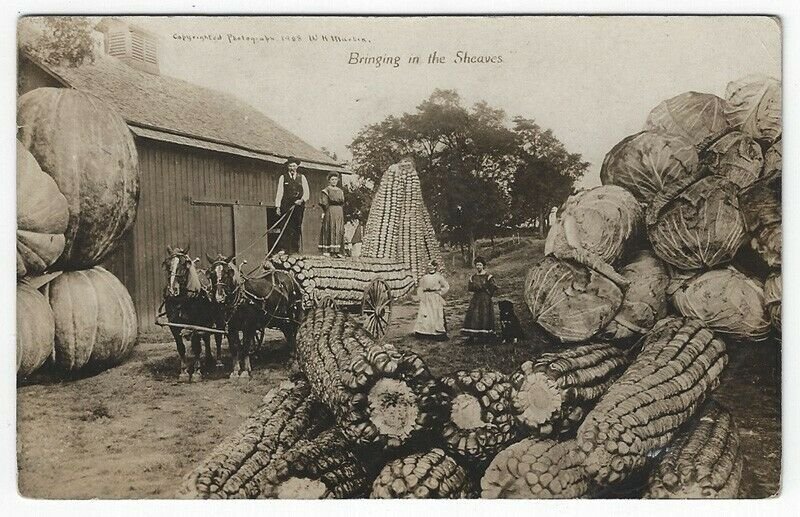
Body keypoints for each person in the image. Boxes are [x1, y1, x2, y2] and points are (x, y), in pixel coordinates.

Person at [274, 157, 309, 254]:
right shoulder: (283, 177)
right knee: (285, 225)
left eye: (294, 166)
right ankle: (284, 248)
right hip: (286, 205)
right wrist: (278, 206)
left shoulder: (302, 177)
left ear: (297, 166)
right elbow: (279, 192)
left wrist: (301, 200)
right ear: (287, 167)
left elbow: (307, 192)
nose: (292, 168)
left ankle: (295, 249)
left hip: (298, 206)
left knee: (296, 226)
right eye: (290, 166)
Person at [461, 256, 498, 341]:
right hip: (476, 298)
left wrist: (488, 295)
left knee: (484, 314)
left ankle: (485, 334)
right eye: (477, 265)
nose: (478, 267)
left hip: (485, 298)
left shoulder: (488, 276)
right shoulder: (473, 277)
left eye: (480, 265)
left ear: (483, 266)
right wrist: (475, 287)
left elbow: (492, 287)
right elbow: (470, 287)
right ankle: (473, 334)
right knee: (474, 315)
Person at [413, 260, 450, 341]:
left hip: (435, 297)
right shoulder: (424, 277)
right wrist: (421, 296)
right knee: (425, 314)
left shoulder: (439, 277)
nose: (429, 267)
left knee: (435, 313)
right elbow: (420, 288)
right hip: (426, 297)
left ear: (435, 267)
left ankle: (437, 332)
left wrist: (439, 292)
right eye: (428, 266)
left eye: (431, 266)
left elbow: (446, 286)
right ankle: (425, 332)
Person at [319, 172, 345, 256]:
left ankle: (337, 251)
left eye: (335, 179)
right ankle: (329, 250)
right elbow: (324, 202)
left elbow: (342, 202)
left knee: (338, 229)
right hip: (330, 210)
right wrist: (327, 211)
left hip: (339, 212)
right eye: (332, 179)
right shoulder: (326, 190)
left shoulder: (340, 191)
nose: (334, 181)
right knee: (330, 228)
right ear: (329, 181)